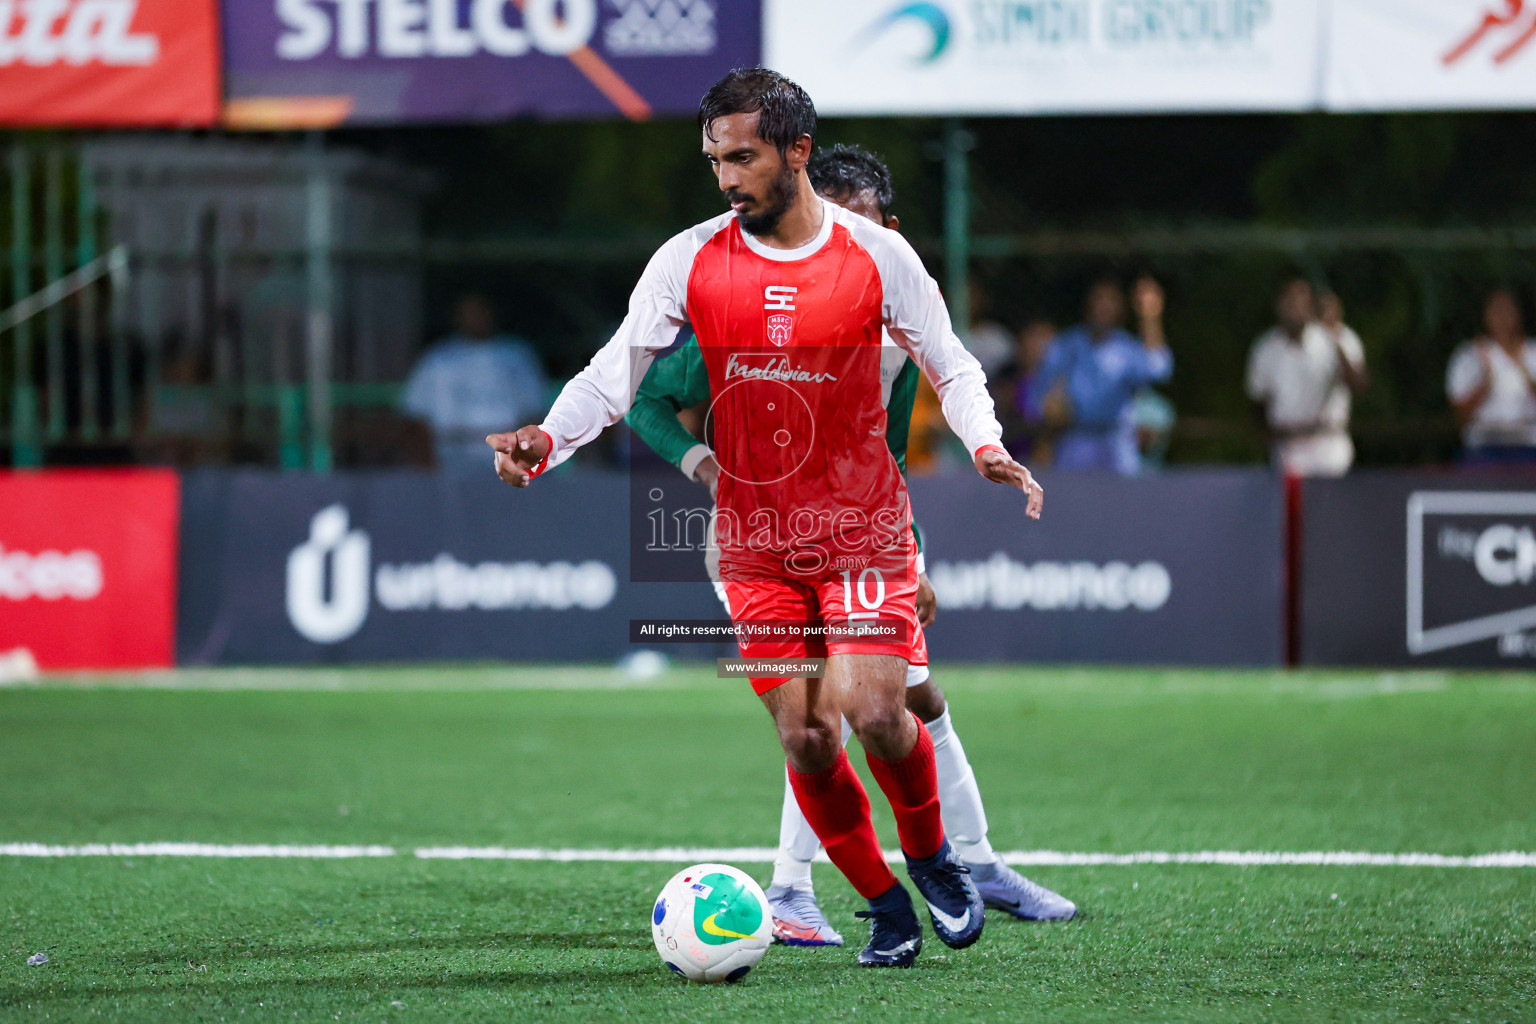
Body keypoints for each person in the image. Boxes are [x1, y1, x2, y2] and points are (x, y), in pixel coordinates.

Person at [488, 68, 1045, 968]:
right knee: (806, 732)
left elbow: (953, 364)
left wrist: (984, 444)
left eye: (742, 156)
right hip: (754, 545)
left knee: (875, 707)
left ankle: (933, 855)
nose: (727, 177)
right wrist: (545, 440)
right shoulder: (689, 258)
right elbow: (613, 376)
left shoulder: (878, 257)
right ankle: (883, 905)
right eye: (714, 159)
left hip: (863, 529)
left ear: (797, 152)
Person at [624, 143, 1075, 948]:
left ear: (889, 236)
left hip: (865, 529)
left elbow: (900, 439)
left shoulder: (896, 312)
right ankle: (798, 887)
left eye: (858, 230)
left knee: (909, 701)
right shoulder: (752, 314)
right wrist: (704, 465)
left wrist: (919, 535)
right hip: (762, 535)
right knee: (826, 710)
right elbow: (648, 395)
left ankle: (971, 861)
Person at [1036, 277, 1172, 474]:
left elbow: (1159, 370)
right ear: (1088, 306)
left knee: (1122, 501)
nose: (1103, 307)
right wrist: (1050, 407)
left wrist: (1150, 316)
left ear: (1120, 309)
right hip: (1075, 440)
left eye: (1110, 301)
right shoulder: (1067, 345)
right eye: (1099, 300)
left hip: (1116, 442)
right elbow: (1042, 395)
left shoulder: (1126, 348)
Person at [400, 294, 548, 473]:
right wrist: (428, 462)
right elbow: (415, 414)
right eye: (468, 313)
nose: (474, 318)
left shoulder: (516, 356)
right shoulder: (438, 358)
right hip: (451, 454)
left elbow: (533, 411)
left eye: (479, 312)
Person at [1245, 280, 1369, 477]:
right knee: (1292, 507)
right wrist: (1270, 437)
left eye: (1300, 300)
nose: (1293, 307)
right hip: (1288, 448)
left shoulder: (1336, 338)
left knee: (1331, 506)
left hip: (1329, 446)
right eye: (1288, 300)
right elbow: (1257, 402)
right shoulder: (1265, 348)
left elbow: (1359, 384)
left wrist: (1333, 333)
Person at [1446, 289, 1536, 465]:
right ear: (1486, 315)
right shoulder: (1470, 355)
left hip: (1529, 444)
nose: (1502, 318)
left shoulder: (1532, 352)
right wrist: (1486, 380)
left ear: (1518, 315)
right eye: (1496, 311)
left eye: (1507, 311)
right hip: (1483, 447)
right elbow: (1459, 416)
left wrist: (1521, 367)